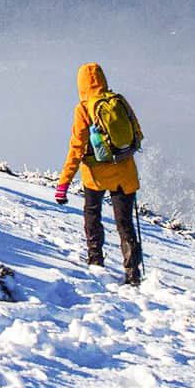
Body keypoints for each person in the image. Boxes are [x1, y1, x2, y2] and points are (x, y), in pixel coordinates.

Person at [55, 62, 144, 285]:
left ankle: (96, 260)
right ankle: (133, 273)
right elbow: (138, 135)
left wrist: (63, 183)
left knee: (92, 214)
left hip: (95, 175)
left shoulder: (84, 108)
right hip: (124, 172)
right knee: (125, 224)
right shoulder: (119, 101)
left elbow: (76, 148)